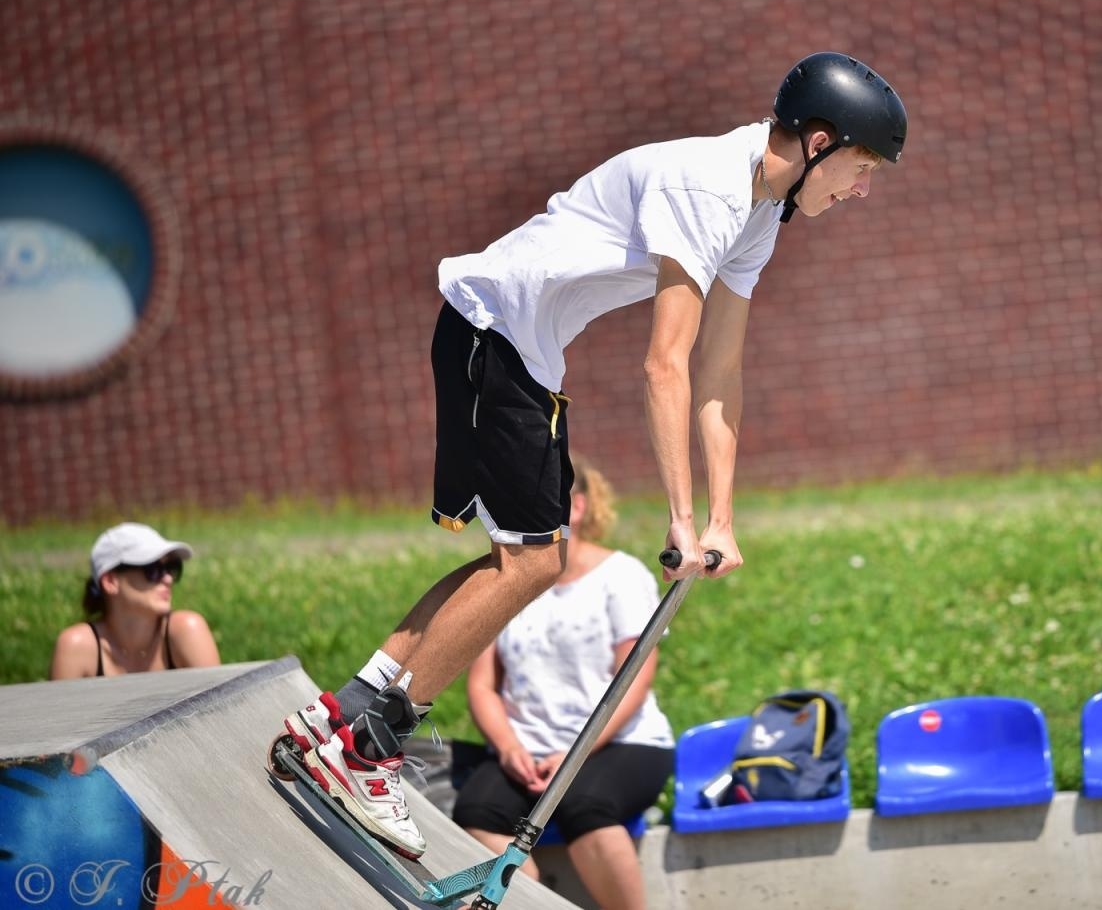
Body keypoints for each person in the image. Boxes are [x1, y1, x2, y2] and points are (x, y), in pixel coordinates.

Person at [279, 51, 907, 860]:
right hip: (493, 335)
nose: (863, 190)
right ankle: (366, 749)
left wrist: (721, 516)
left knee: (523, 556)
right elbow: (665, 364)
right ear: (820, 143)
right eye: (862, 168)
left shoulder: (758, 212)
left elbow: (722, 371)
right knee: (534, 563)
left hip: (516, 349)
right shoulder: (708, 186)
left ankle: (344, 714)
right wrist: (678, 519)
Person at [454, 455, 672, 910]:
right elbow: (482, 686)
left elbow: (634, 679)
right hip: (528, 751)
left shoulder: (622, 576)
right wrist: (508, 745)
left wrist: (576, 751)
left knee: (584, 805)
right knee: (477, 810)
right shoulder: (503, 584)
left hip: (619, 743)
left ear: (577, 507)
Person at [50, 522, 222, 679]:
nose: (168, 579)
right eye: (153, 570)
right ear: (110, 581)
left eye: (171, 568)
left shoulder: (186, 630)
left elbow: (219, 709)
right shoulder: (76, 647)